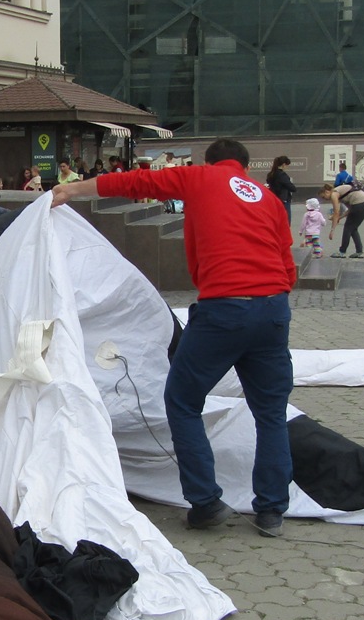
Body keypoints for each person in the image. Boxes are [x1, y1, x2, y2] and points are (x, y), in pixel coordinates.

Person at [51, 139, 295, 538]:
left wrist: (72, 189)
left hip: (222, 309)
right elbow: (287, 264)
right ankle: (271, 511)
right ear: (246, 167)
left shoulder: (200, 178)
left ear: (208, 161)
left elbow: (134, 182)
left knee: (182, 401)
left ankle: (205, 501)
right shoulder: (268, 199)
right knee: (271, 413)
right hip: (273, 309)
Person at [321, 180, 364, 259]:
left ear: (327, 192)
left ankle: (342, 252)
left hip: (359, 203)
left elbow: (336, 212)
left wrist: (332, 230)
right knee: (353, 228)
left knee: (348, 228)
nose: (324, 199)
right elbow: (349, 209)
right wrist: (340, 218)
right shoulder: (340, 193)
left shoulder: (334, 194)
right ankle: (359, 251)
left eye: (323, 197)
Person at [265, 155, 297, 220]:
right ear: (284, 164)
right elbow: (292, 188)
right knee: (286, 220)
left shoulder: (271, 174)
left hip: (273, 200)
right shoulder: (282, 175)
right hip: (283, 200)